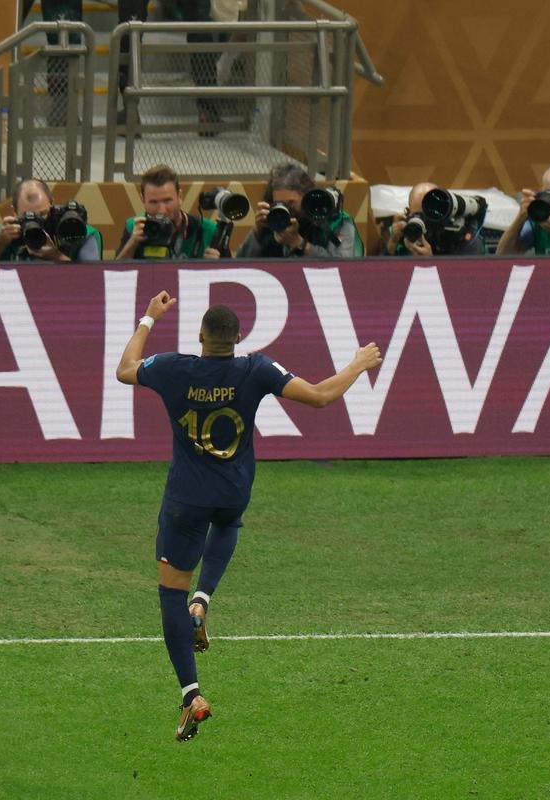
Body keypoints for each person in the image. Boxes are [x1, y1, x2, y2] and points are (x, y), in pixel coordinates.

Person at [115, 293, 383, 741]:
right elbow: (320, 396)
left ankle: (191, 694)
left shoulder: (173, 368)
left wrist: (149, 318)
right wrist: (357, 364)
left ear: (200, 337)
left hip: (185, 499)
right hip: (232, 492)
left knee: (169, 592)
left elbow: (125, 369)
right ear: (238, 338)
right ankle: (203, 600)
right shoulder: (255, 369)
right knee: (227, 523)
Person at [237, 163, 362, 259]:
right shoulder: (273, 219)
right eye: (280, 203)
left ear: (307, 198)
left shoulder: (338, 222)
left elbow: (344, 269)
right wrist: (257, 232)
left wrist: (299, 243)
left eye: (291, 203)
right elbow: (239, 266)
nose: (286, 210)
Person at [116, 164, 223, 260]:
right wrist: (132, 243)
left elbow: (229, 274)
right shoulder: (134, 227)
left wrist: (215, 267)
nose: (161, 210)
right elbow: (115, 273)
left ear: (179, 197)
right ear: (143, 200)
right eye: (153, 202)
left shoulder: (209, 232)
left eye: (167, 201)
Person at [0, 178, 102, 262]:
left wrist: (56, 256)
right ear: (14, 211)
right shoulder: (7, 234)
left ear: (52, 203)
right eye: (27, 216)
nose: (36, 222)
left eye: (43, 214)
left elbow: (92, 281)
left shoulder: (81, 233)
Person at [384, 182, 486, 257]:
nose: (422, 222)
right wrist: (391, 248)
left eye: (428, 216)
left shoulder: (460, 235)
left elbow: (469, 278)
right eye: (417, 215)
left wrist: (431, 263)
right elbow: (381, 277)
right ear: (408, 212)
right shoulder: (402, 232)